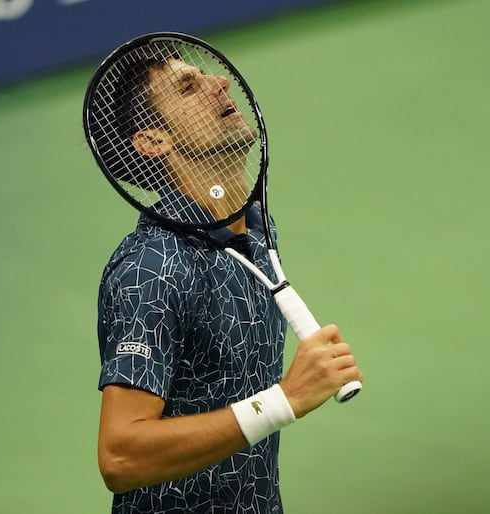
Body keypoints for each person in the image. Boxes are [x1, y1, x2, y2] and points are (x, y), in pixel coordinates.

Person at [95, 42, 364, 513]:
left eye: (207, 77)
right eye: (187, 87)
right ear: (154, 141)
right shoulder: (152, 267)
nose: (219, 84)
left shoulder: (254, 230)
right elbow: (120, 456)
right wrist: (286, 399)